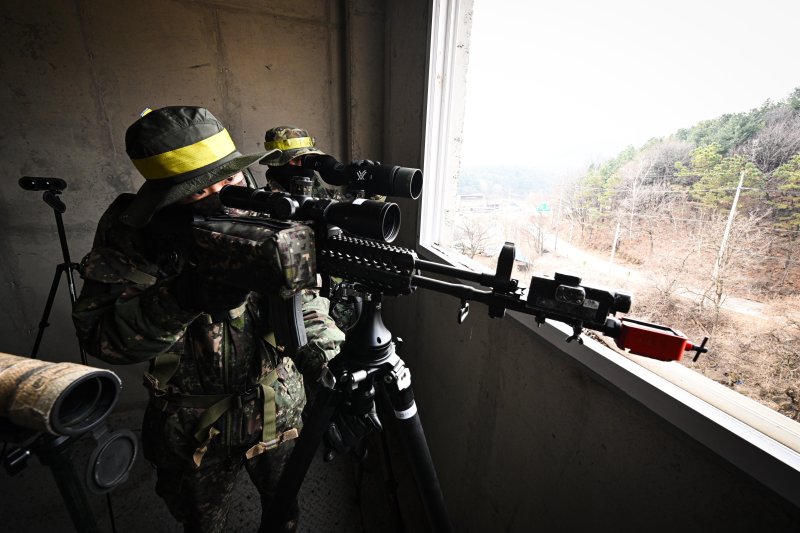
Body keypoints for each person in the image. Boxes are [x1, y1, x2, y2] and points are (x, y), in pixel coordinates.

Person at [72, 106, 345, 532]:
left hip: (276, 405)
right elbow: (103, 338)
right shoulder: (134, 233)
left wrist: (328, 363)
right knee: (202, 524)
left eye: (231, 180)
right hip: (192, 427)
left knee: (284, 512)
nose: (224, 196)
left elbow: (304, 300)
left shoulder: (265, 208)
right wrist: (183, 296)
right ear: (165, 199)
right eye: (201, 191)